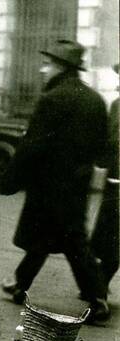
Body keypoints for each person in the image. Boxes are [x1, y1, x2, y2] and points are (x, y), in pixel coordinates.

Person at [0, 40, 110, 323]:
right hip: (76, 184)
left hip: (47, 185)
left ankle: (97, 298)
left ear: (61, 67)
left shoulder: (52, 99)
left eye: (48, 64)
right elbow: (102, 147)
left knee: (67, 239)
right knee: (50, 235)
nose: (42, 69)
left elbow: (32, 146)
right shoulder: (95, 100)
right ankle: (20, 283)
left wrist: (10, 179)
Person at [90, 63, 119, 292]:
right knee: (105, 238)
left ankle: (100, 284)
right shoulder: (116, 106)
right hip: (114, 182)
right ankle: (99, 283)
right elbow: (109, 139)